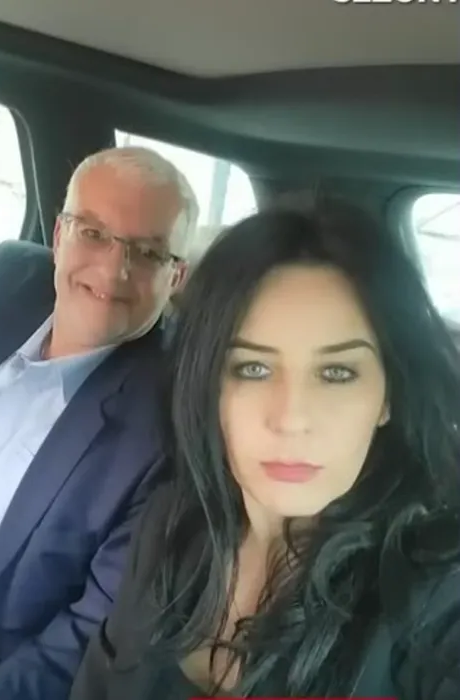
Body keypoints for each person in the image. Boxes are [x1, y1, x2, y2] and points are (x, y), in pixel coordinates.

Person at [70, 192, 460, 699]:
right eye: (252, 369)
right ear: (208, 387)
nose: (291, 419)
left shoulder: (437, 594)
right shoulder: (169, 526)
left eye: (337, 373)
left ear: (389, 397)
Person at [0, 146, 197, 700]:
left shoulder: (170, 414)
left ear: (177, 276)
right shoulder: (7, 281)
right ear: (60, 233)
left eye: (147, 252)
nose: (113, 269)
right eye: (93, 233)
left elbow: (89, 636)